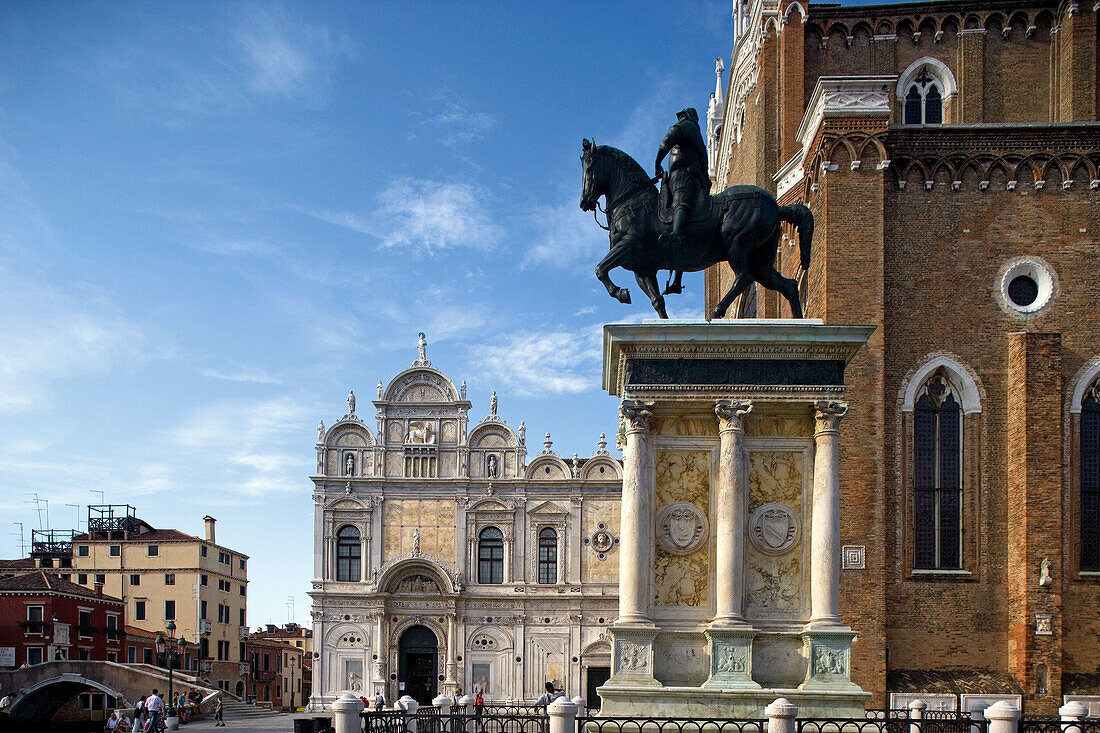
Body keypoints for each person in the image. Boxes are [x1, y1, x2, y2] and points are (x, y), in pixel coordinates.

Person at [654, 107, 711, 294]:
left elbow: (666, 142)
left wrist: (657, 163)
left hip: (683, 175)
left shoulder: (686, 127)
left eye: (680, 117)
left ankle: (676, 233)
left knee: (680, 200)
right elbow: (703, 157)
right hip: (691, 176)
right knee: (678, 219)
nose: (678, 120)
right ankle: (677, 280)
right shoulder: (696, 134)